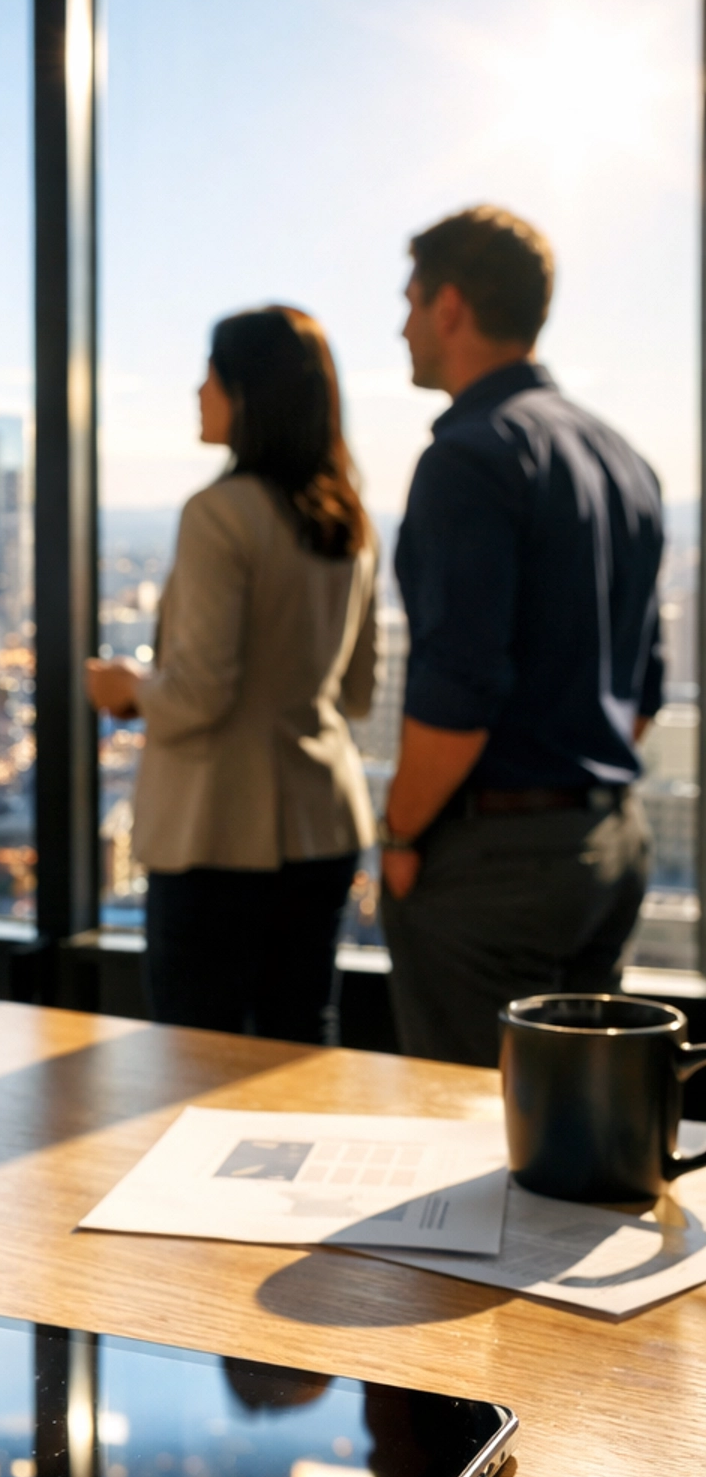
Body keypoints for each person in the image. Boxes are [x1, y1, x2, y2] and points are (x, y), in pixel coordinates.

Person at [380, 206, 663, 1067]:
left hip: (495, 866)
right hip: (609, 844)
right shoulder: (624, 459)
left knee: (468, 1118)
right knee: (574, 1115)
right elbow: (645, 687)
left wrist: (400, 833)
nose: (402, 327)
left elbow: (459, 690)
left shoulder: (470, 457)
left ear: (450, 307)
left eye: (410, 302)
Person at [86, 305, 376, 1044]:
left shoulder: (218, 514)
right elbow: (359, 690)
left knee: (196, 1051)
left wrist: (127, 690)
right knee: (298, 1044)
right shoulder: (348, 520)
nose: (198, 391)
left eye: (210, 376)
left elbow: (200, 695)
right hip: (322, 820)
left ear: (246, 393)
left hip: (217, 831)